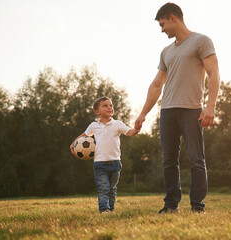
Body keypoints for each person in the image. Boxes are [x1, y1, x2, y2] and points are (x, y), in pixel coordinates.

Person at [135, 3, 220, 214]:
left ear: (172, 17)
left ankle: (197, 207)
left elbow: (214, 73)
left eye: (162, 24)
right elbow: (156, 85)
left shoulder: (201, 41)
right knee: (168, 161)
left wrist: (210, 106)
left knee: (196, 160)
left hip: (192, 110)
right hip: (167, 112)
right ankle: (171, 205)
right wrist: (143, 113)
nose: (161, 30)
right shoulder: (166, 52)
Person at [70, 96, 139, 213]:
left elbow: (129, 132)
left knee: (112, 189)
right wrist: (73, 144)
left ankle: (110, 210)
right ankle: (104, 209)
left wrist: (136, 129)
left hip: (115, 162)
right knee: (103, 188)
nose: (109, 107)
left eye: (111, 105)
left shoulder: (117, 124)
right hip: (99, 163)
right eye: (105, 105)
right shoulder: (94, 125)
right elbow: (84, 136)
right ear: (97, 112)